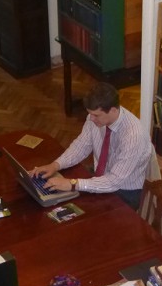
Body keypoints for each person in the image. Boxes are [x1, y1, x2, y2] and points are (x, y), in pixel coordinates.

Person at [30, 82, 152, 210]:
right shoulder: (96, 118)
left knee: (82, 214)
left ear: (113, 110)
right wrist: (55, 165)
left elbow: (114, 182)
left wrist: (72, 184)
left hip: (124, 192)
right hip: (99, 176)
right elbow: (81, 146)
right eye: (90, 114)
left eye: (96, 115)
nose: (91, 119)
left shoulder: (133, 136)